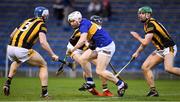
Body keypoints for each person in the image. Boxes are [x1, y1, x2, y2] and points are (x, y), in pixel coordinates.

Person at [67, 11, 127, 97]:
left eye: (73, 21)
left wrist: (72, 50)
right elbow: (87, 40)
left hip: (106, 46)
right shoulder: (83, 24)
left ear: (78, 19)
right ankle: (90, 82)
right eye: (70, 22)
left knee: (100, 71)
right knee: (83, 59)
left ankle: (120, 84)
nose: (71, 23)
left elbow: (83, 40)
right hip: (99, 46)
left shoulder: (83, 25)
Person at [3, 6, 59, 98]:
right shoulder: (42, 24)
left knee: (17, 61)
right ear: (44, 15)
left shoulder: (26, 20)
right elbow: (43, 42)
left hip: (10, 48)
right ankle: (44, 94)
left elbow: (11, 35)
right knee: (43, 65)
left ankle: (7, 82)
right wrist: (52, 54)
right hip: (22, 50)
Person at [130, 6, 180, 97]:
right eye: (139, 13)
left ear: (148, 15)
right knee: (145, 67)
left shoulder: (151, 24)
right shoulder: (147, 24)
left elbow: (145, 42)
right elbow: (145, 43)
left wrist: (137, 36)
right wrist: (137, 52)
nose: (139, 15)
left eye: (142, 13)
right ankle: (153, 91)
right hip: (160, 49)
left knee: (169, 68)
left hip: (169, 47)